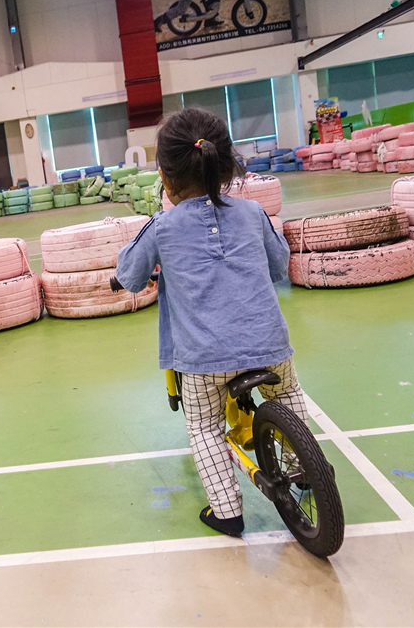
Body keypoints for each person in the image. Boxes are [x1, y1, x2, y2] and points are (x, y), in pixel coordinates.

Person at [114, 107, 309, 538]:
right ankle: (304, 469)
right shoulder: (254, 213)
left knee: (203, 427)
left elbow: (129, 277)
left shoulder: (161, 227)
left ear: (164, 177)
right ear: (225, 167)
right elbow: (280, 265)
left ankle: (226, 510)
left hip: (203, 362)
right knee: (290, 390)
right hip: (269, 344)